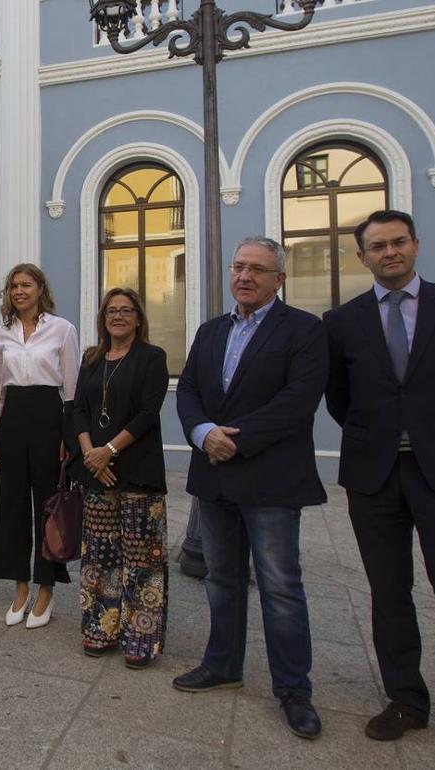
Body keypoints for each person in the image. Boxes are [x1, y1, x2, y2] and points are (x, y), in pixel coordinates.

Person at [324, 210, 435, 770]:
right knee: (389, 592)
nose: (390, 252)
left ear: (415, 245)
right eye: (377, 246)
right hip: (375, 476)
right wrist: (383, 439)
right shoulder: (342, 321)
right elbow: (340, 399)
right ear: (362, 257)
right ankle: (405, 700)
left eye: (398, 242)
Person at [174, 236, 328, 740]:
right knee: (221, 578)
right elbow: (189, 390)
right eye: (238, 266)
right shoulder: (211, 329)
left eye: (257, 269)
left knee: (280, 586)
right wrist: (202, 433)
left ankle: (293, 690)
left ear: (278, 279)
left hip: (271, 479)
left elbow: (298, 400)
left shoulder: (303, 330)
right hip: (214, 475)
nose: (244, 276)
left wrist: (234, 441)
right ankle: (222, 665)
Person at [70, 288, 169, 667]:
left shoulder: (152, 358)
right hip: (97, 472)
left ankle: (140, 637)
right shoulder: (91, 359)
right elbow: (79, 410)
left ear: (138, 318)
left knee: (142, 558)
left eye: (126, 310)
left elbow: (147, 414)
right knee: (99, 556)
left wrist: (108, 450)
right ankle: (102, 628)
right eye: (112, 310)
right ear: (103, 318)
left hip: (138, 470)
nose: (118, 316)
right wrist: (90, 454)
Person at [0, 263, 78, 628]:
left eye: (26, 285)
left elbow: (71, 389)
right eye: (13, 286)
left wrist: (68, 437)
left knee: (48, 505)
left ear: (41, 288)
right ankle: (20, 586)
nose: (19, 291)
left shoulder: (62, 329)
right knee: (11, 505)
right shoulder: (2, 332)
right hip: (14, 417)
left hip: (48, 416)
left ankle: (46, 588)